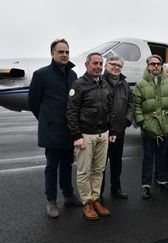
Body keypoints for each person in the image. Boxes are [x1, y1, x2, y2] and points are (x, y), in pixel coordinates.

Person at [28, 39, 81, 219]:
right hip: (51, 130)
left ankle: (68, 195)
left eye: (66, 52)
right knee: (52, 167)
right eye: (60, 52)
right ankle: (51, 200)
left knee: (67, 165)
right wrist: (46, 120)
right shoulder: (41, 75)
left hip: (69, 130)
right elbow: (33, 103)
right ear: (52, 54)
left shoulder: (73, 75)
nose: (64, 55)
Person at [66, 52, 118, 220]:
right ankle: (87, 203)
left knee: (99, 170)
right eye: (95, 63)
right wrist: (76, 136)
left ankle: (96, 199)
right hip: (85, 136)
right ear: (87, 65)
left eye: (100, 63)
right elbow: (71, 112)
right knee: (83, 172)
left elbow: (110, 109)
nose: (98, 66)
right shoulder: (79, 85)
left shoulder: (104, 84)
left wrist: (112, 131)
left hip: (103, 134)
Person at [133, 54, 168, 199]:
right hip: (149, 127)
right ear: (148, 66)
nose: (155, 66)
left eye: (158, 64)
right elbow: (137, 107)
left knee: (163, 156)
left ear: (160, 66)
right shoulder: (140, 84)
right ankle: (146, 186)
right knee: (148, 157)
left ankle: (163, 181)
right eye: (152, 64)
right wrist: (143, 123)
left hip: (166, 126)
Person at [100, 56, 134, 200]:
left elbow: (131, 103)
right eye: (113, 64)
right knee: (100, 165)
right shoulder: (99, 82)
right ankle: (98, 193)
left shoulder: (124, 85)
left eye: (119, 65)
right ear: (106, 66)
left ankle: (116, 188)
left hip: (119, 131)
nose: (116, 67)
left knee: (116, 162)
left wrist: (127, 120)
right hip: (102, 132)